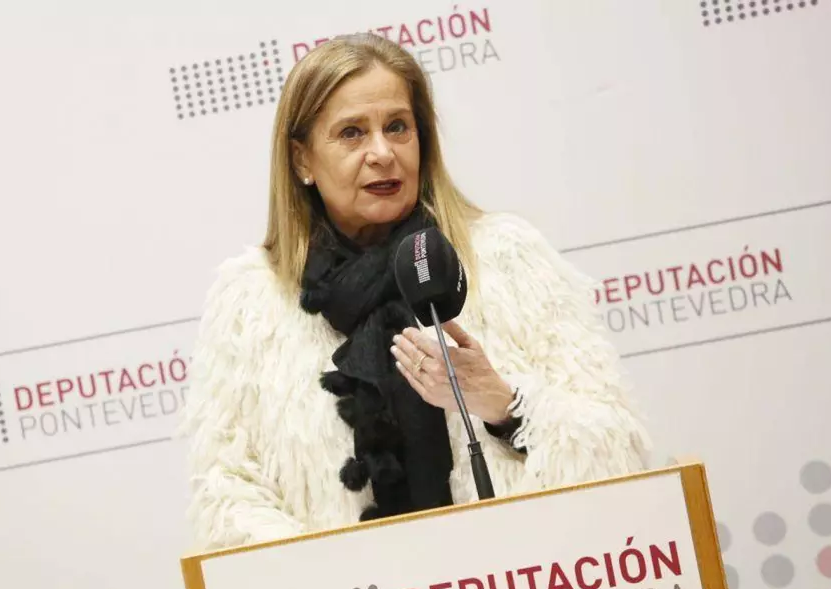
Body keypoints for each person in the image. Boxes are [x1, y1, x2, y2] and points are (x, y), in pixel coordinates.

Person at [179, 33, 650, 553]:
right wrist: (329, 574)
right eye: (352, 133)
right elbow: (227, 493)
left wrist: (506, 404)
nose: (383, 153)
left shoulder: (506, 258)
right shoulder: (251, 300)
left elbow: (622, 453)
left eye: (398, 127)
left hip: (522, 581)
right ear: (302, 161)